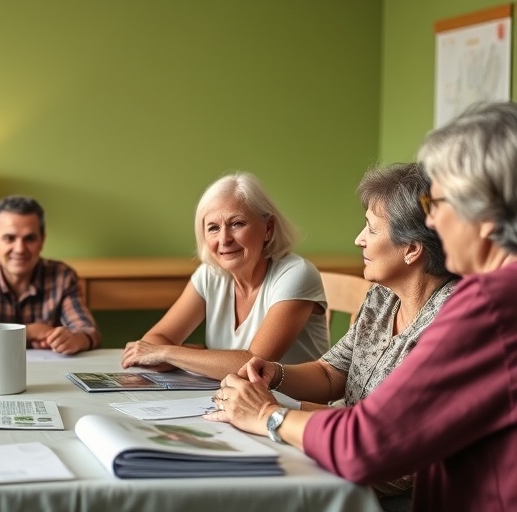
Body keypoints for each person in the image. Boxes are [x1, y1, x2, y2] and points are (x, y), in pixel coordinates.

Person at [208, 102, 517, 512]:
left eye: (438, 205)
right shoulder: (479, 297)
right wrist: (277, 379)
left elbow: (369, 442)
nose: (433, 224)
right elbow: (341, 380)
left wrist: (268, 415)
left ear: (485, 213)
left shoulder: (486, 304)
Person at [224, 163, 458, 507]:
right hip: (332, 450)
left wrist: (269, 414)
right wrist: (275, 373)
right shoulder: (383, 295)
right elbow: (331, 372)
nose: (358, 239)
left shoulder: (450, 320)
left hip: (383, 490)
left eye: (371, 229)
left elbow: (384, 440)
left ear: (411, 249)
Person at [122, 172, 328, 380]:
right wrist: (184, 355)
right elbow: (155, 341)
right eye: (213, 228)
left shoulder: (296, 274)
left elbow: (253, 365)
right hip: (231, 402)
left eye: (237, 223)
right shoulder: (209, 275)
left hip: (293, 407)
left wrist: (171, 353)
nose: (224, 239)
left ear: (268, 227)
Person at [0, 195, 99, 354]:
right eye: (9, 238)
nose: (20, 249)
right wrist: (28, 332)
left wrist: (75, 340)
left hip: (48, 373)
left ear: (42, 241)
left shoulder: (62, 277)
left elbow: (89, 331)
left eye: (30, 238)